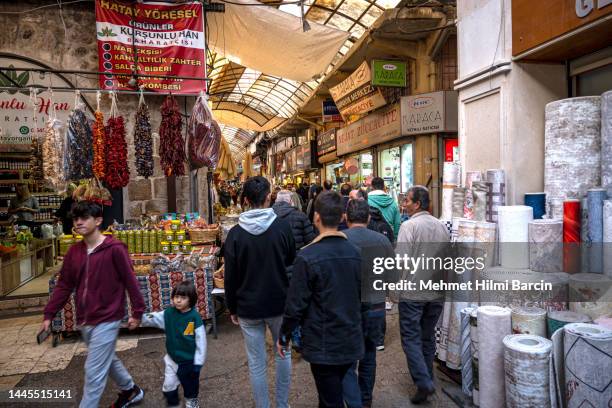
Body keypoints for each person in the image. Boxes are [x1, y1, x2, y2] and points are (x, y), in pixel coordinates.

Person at [41, 201, 146, 407]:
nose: (78, 222)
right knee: (107, 358)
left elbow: (130, 280)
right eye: (75, 219)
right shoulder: (74, 253)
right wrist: (49, 314)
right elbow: (64, 286)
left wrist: (137, 311)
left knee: (93, 371)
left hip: (108, 317)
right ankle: (130, 389)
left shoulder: (115, 249)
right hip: (85, 319)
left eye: (84, 218)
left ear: (98, 221)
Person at [277, 191, 363, 408]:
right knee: (332, 394)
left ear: (316, 218)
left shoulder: (307, 257)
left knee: (329, 398)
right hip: (350, 337)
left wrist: (285, 335)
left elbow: (295, 305)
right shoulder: (356, 253)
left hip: (322, 341)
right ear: (343, 217)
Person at [224, 176, 296, 408]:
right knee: (282, 353)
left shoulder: (235, 234)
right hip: (279, 303)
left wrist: (232, 307)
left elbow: (230, 276)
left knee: (256, 362)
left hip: (247, 306)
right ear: (268, 198)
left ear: (245, 200)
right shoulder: (283, 228)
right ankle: (282, 405)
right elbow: (290, 261)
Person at [395, 186, 449, 404]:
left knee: (410, 338)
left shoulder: (409, 226)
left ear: (417, 204)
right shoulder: (441, 226)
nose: (403, 204)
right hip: (437, 291)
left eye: (407, 200)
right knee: (427, 336)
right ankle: (426, 380)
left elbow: (401, 261)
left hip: (413, 292)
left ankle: (423, 382)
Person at [341, 199, 395, 408]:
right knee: (369, 356)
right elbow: (392, 276)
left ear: (346, 217)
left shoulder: (341, 239)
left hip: (348, 309)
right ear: (369, 217)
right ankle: (365, 400)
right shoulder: (381, 241)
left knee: (347, 359)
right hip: (375, 307)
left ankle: (352, 400)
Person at [141, 280, 206, 408]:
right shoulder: (169, 313)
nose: (178, 300)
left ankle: (191, 402)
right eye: (176, 297)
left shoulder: (195, 317)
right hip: (172, 359)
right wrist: (140, 318)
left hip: (189, 362)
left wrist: (198, 362)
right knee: (169, 386)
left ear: (191, 299)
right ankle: (173, 404)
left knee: (190, 387)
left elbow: (201, 342)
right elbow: (154, 318)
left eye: (183, 298)